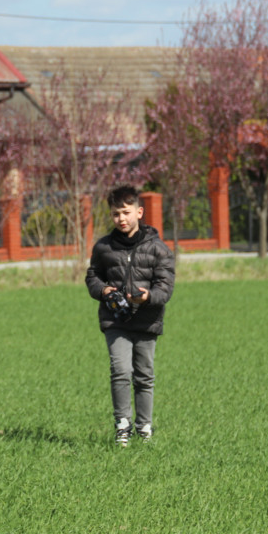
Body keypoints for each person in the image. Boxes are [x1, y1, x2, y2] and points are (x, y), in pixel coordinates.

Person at [85, 186, 175, 447]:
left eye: (126, 212)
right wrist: (103, 290)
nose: (121, 219)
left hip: (147, 320)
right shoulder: (103, 247)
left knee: (144, 375)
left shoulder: (158, 249)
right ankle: (122, 425)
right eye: (115, 214)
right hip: (116, 321)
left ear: (139, 211)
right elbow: (93, 276)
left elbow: (165, 286)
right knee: (120, 371)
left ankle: (144, 427)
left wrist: (148, 297)